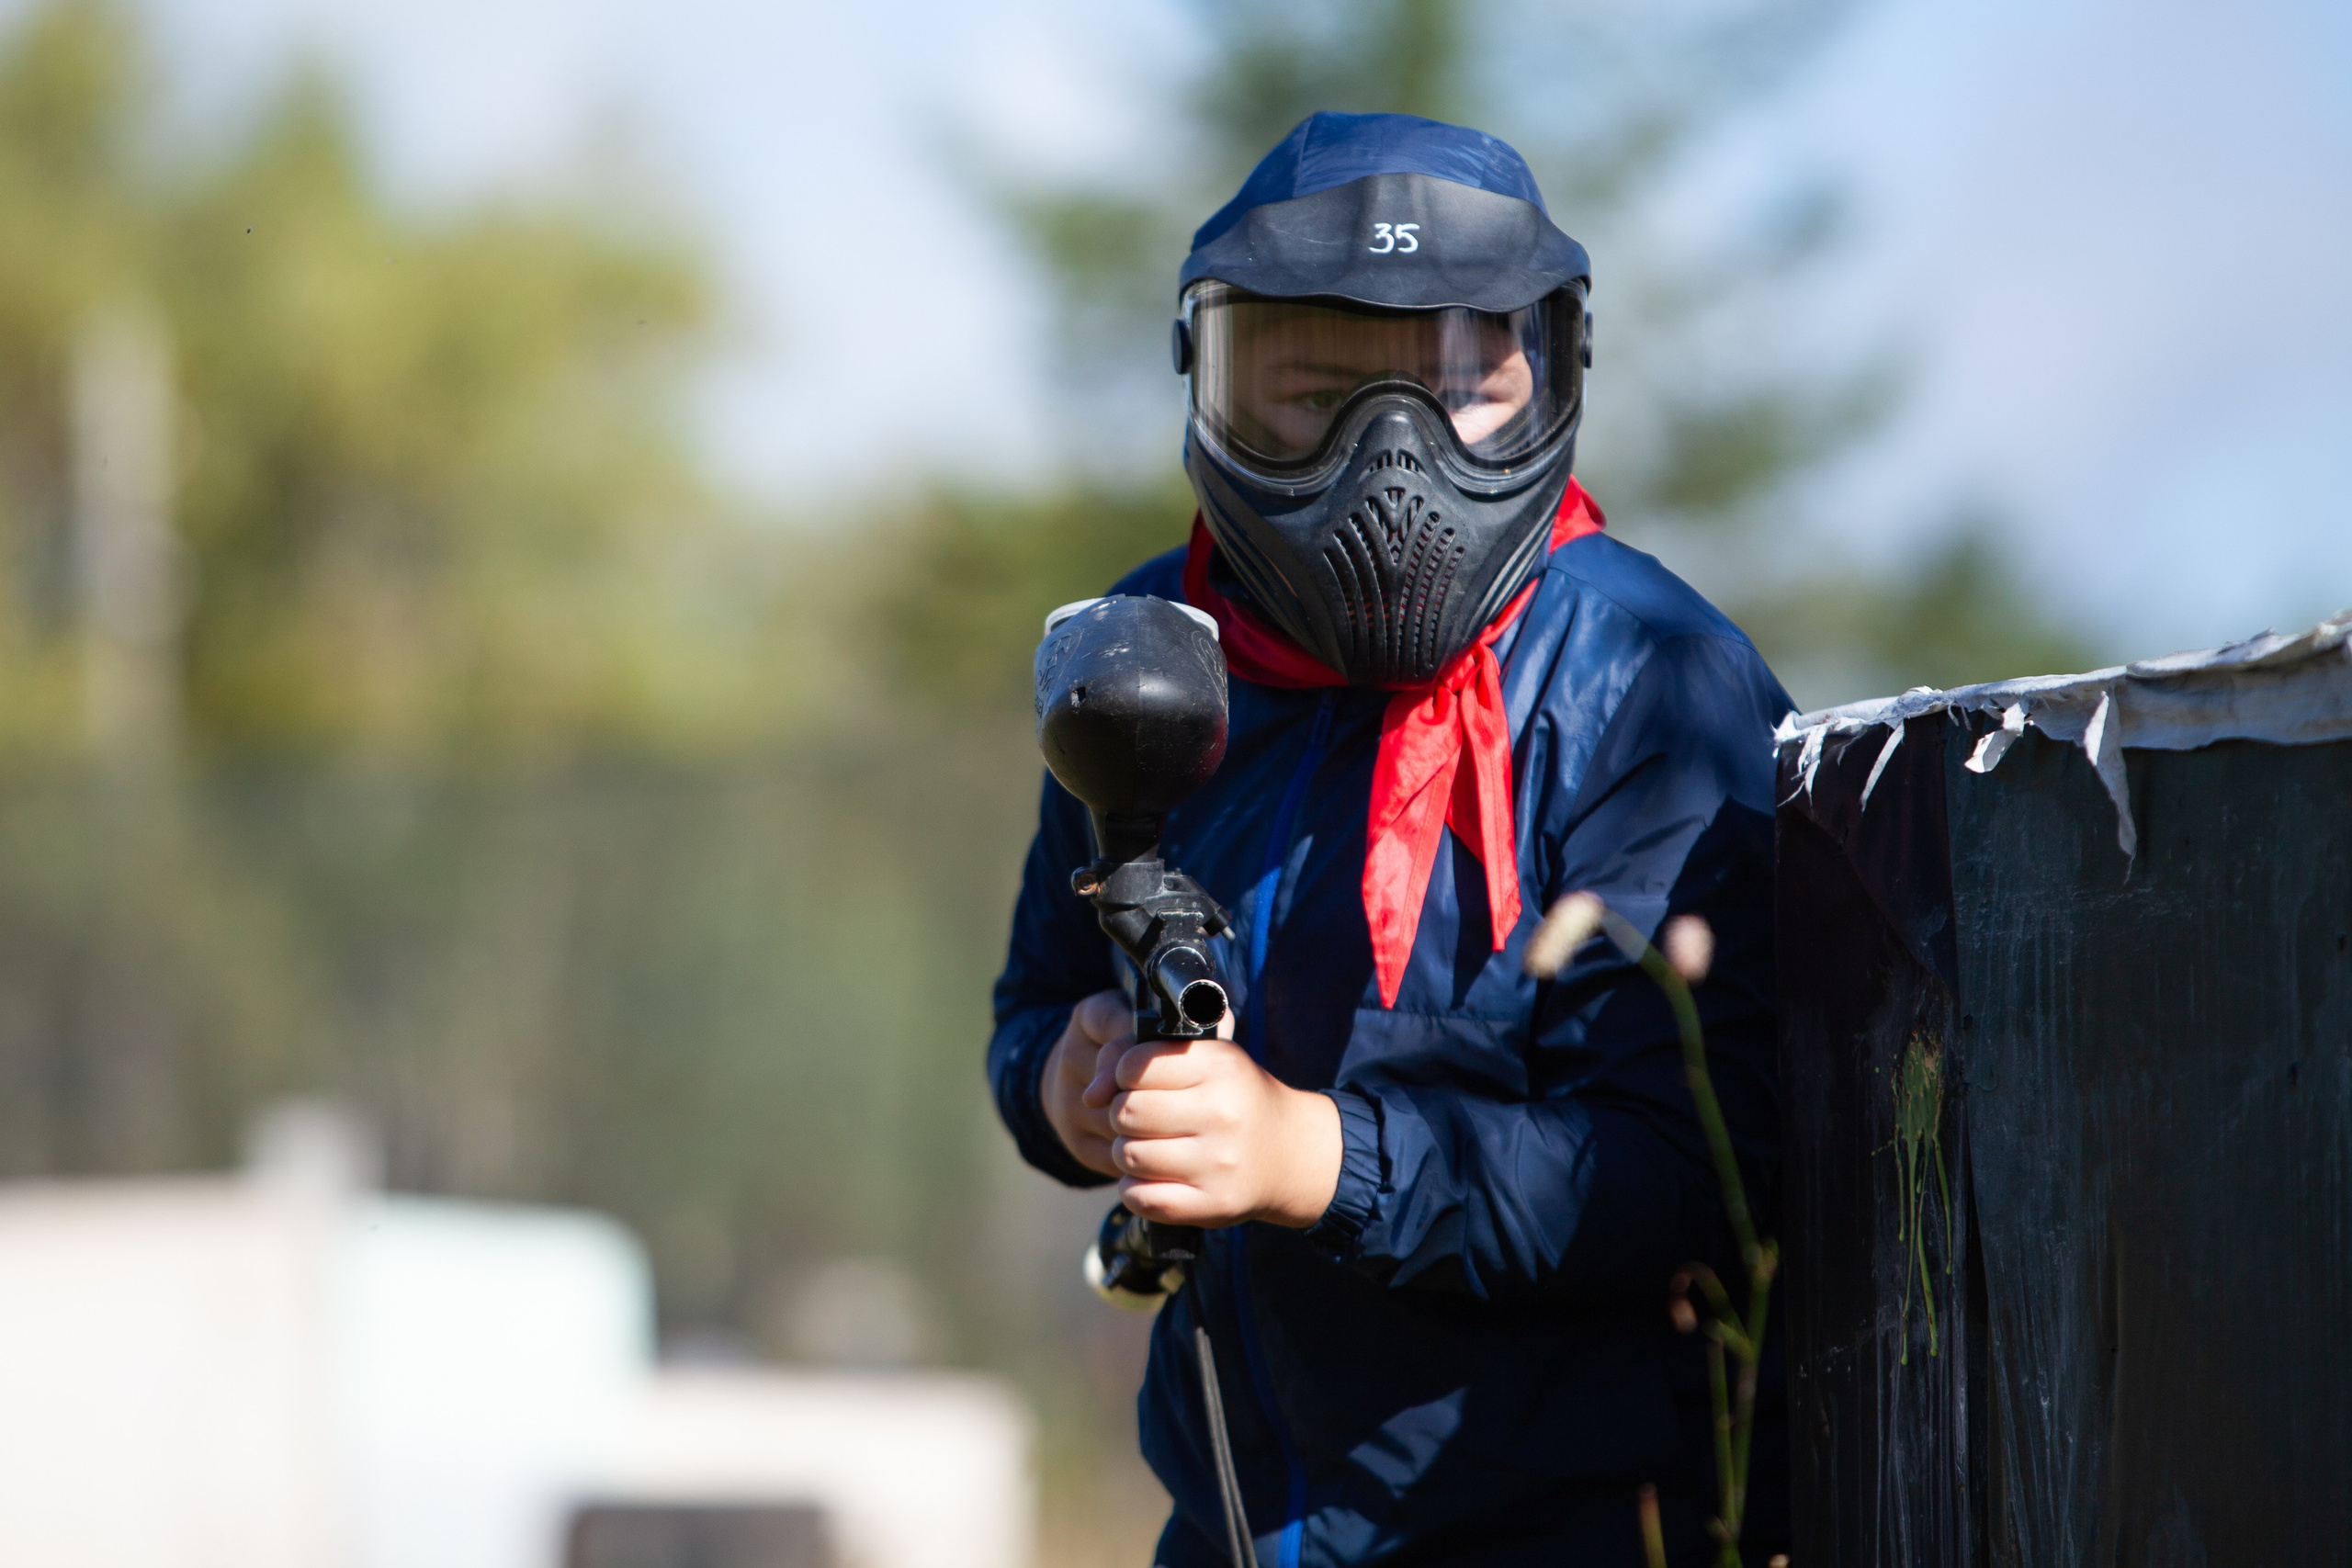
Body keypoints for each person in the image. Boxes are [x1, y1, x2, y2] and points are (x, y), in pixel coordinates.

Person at [989, 111, 1793, 1567]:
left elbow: (1689, 1177)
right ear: (1211, 382)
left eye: (1451, 389)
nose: (1392, 462)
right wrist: (1074, 1088)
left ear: (1551, 370)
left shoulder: (1654, 687)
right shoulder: (1152, 664)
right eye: (1309, 393)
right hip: (1234, 1525)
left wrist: (1311, 1158)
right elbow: (1034, 1005)